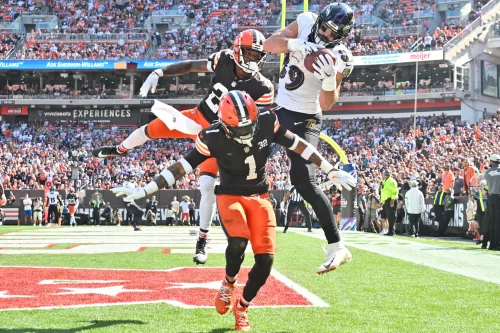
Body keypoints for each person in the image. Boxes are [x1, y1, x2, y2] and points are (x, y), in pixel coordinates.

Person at [112, 91, 355, 332]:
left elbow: (298, 144)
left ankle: (243, 306)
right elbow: (181, 168)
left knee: (266, 260)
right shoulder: (212, 136)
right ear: (226, 125)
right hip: (230, 195)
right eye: (239, 129)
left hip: (259, 195)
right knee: (238, 242)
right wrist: (146, 189)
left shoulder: (267, 120)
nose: (246, 133)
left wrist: (329, 169)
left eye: (249, 126)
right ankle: (228, 283)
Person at [94, 29, 274, 265]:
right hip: (196, 118)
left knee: (207, 185)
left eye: (256, 55)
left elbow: (256, 126)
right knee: (151, 128)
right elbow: (190, 65)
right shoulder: (224, 59)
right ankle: (120, 149)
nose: (252, 59)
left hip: (220, 135)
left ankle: (202, 238)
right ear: (237, 50)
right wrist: (160, 71)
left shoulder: (264, 88)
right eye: (248, 53)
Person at [263, 3, 355, 270]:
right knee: (250, 152)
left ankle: (338, 247)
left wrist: (328, 80)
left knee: (303, 179)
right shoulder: (305, 21)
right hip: (281, 108)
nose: (326, 35)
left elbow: (327, 103)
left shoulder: (341, 55)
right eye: (324, 28)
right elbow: (269, 44)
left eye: (332, 33)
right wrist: (295, 45)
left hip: (307, 118)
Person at [483, 153, 500, 251]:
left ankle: (490, 244)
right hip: (499, 197)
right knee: (498, 221)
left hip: (491, 197)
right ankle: (497, 243)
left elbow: (487, 186)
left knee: (491, 220)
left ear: (491, 161)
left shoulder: (488, 172)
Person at [380, 170, 399, 236]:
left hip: (390, 200)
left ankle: (392, 231)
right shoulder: (384, 181)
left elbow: (395, 191)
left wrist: (392, 200)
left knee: (391, 216)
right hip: (386, 201)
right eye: (385, 173)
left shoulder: (391, 181)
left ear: (390, 174)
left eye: (387, 173)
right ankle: (390, 231)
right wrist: (382, 202)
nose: (386, 174)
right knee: (388, 217)